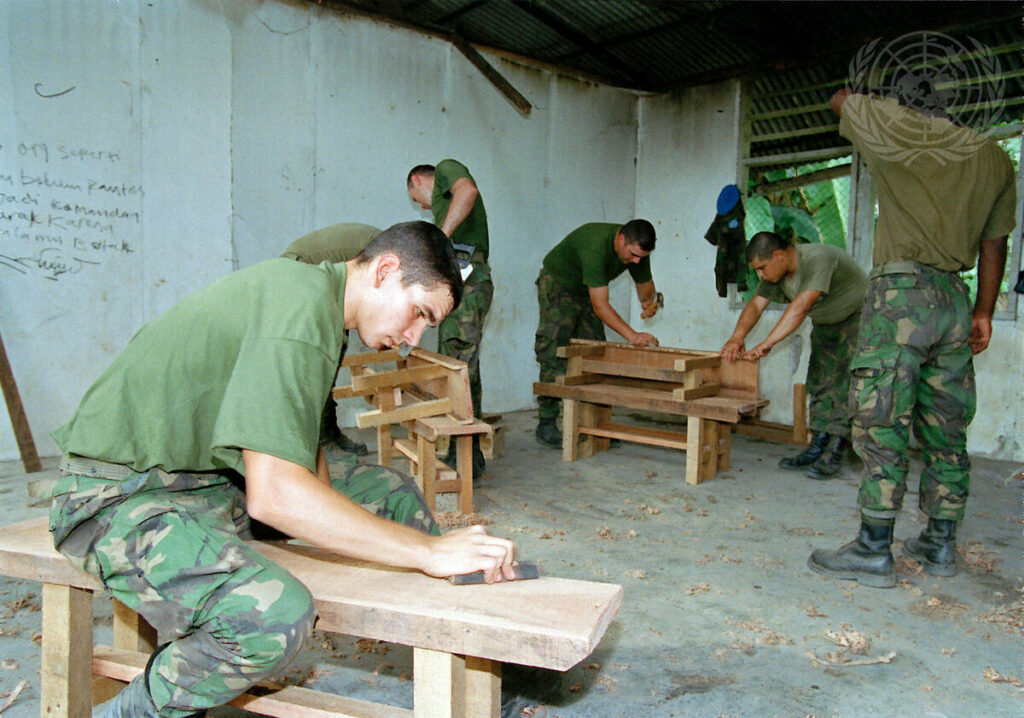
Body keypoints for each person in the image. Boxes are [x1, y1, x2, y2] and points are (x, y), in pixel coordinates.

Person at [49, 221, 518, 717]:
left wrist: (332, 519)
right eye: (418, 314)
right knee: (273, 618)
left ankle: (454, 668)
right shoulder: (298, 308)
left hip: (204, 486)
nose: (411, 337)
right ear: (385, 271)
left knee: (391, 491)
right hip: (113, 500)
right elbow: (274, 495)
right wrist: (428, 551)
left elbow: (299, 447)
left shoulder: (319, 307)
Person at [808, 88, 1016, 588]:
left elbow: (838, 98)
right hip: (954, 300)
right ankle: (941, 542)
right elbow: (995, 243)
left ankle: (873, 549)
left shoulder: (901, 134)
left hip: (900, 296)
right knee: (947, 430)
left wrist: (877, 101)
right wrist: (983, 311)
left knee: (882, 424)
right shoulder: (993, 158)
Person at [721, 231, 868, 479]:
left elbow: (800, 306)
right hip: (826, 322)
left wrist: (768, 343)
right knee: (820, 381)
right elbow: (756, 304)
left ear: (778, 256)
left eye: (761, 268)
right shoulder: (775, 272)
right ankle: (818, 444)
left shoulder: (818, 258)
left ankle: (837, 449)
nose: (760, 275)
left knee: (844, 384)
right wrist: (737, 337)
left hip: (859, 319)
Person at [534, 220, 661, 447]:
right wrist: (632, 336)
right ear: (621, 239)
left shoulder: (638, 250)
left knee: (594, 352)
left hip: (587, 290)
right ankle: (546, 422)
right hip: (559, 284)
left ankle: (594, 424)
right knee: (553, 349)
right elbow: (600, 306)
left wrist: (648, 302)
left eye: (641, 257)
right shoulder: (594, 246)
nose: (636, 261)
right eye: (633, 255)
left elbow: (645, 286)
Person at [407, 161, 491, 475]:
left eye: (416, 198)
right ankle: (467, 451)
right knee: (458, 363)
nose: (421, 205)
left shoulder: (446, 168)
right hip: (458, 281)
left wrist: (439, 239)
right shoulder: (445, 205)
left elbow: (468, 190)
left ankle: (467, 453)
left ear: (417, 180)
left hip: (467, 278)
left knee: (458, 366)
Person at [282, 222, 382, 456]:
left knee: (333, 353)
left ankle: (327, 433)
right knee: (320, 359)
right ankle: (319, 440)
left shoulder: (385, 248)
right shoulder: (385, 254)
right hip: (301, 273)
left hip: (322, 280)